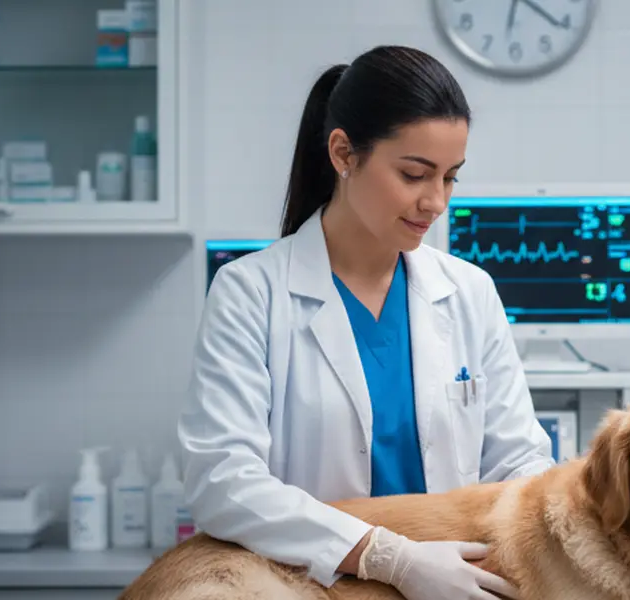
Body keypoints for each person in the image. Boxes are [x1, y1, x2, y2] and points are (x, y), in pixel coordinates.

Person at [178, 45, 556, 600]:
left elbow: (520, 464)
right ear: (343, 153)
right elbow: (222, 481)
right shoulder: (251, 293)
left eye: (451, 178)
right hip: (312, 586)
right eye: (413, 174)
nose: (435, 202)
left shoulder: (470, 293)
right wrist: (388, 557)